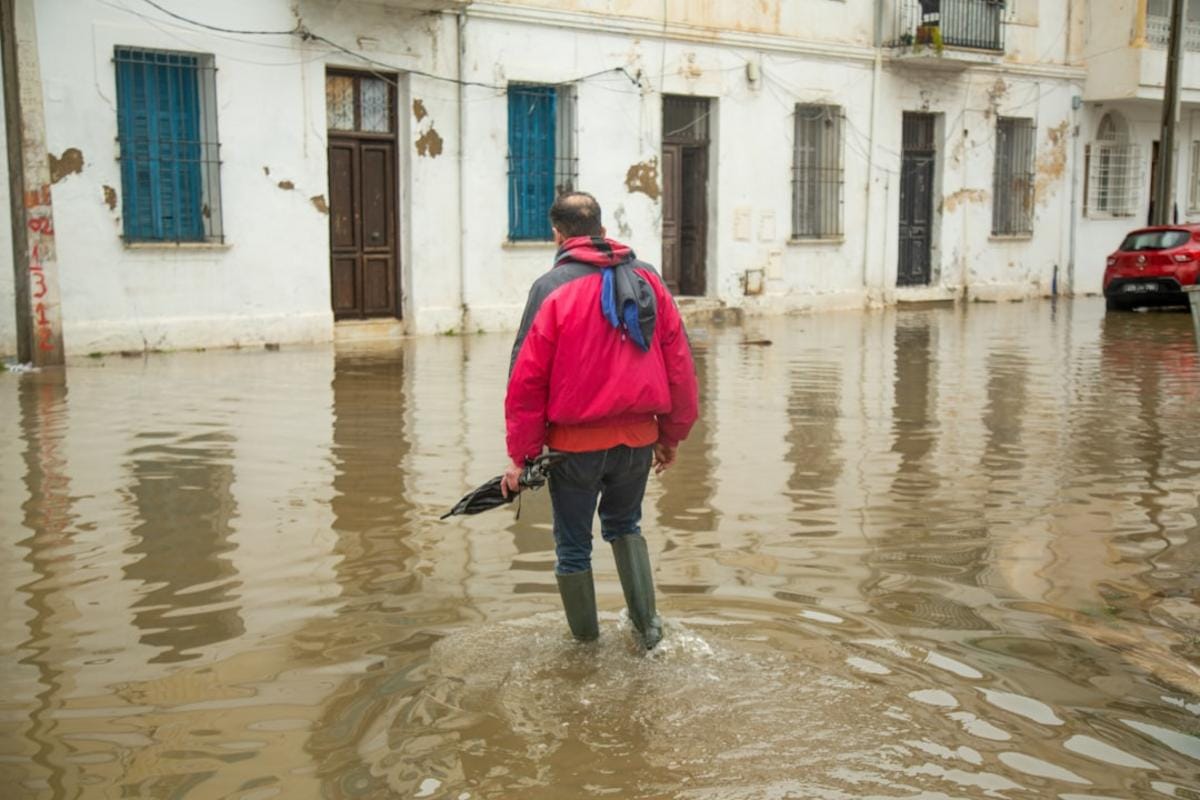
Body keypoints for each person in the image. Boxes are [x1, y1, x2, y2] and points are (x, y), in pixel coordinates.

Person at [501, 191, 698, 650]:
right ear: (602, 230)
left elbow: (525, 380)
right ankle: (649, 634)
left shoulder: (551, 288)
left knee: (573, 547)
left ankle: (585, 651)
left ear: (558, 234)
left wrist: (524, 457)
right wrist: (671, 436)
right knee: (626, 527)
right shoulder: (650, 279)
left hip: (572, 448)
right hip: (637, 439)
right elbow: (680, 365)